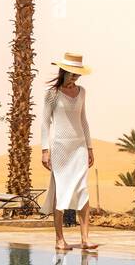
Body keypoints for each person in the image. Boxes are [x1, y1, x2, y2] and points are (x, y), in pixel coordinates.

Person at [40, 51, 98, 253]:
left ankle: (85, 238)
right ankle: (59, 239)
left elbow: (84, 120)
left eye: (78, 74)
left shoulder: (82, 92)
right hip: (60, 149)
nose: (76, 77)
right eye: (73, 73)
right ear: (63, 71)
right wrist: (45, 150)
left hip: (80, 147)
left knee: (83, 190)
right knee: (62, 193)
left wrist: (90, 147)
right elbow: (45, 123)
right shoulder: (52, 94)